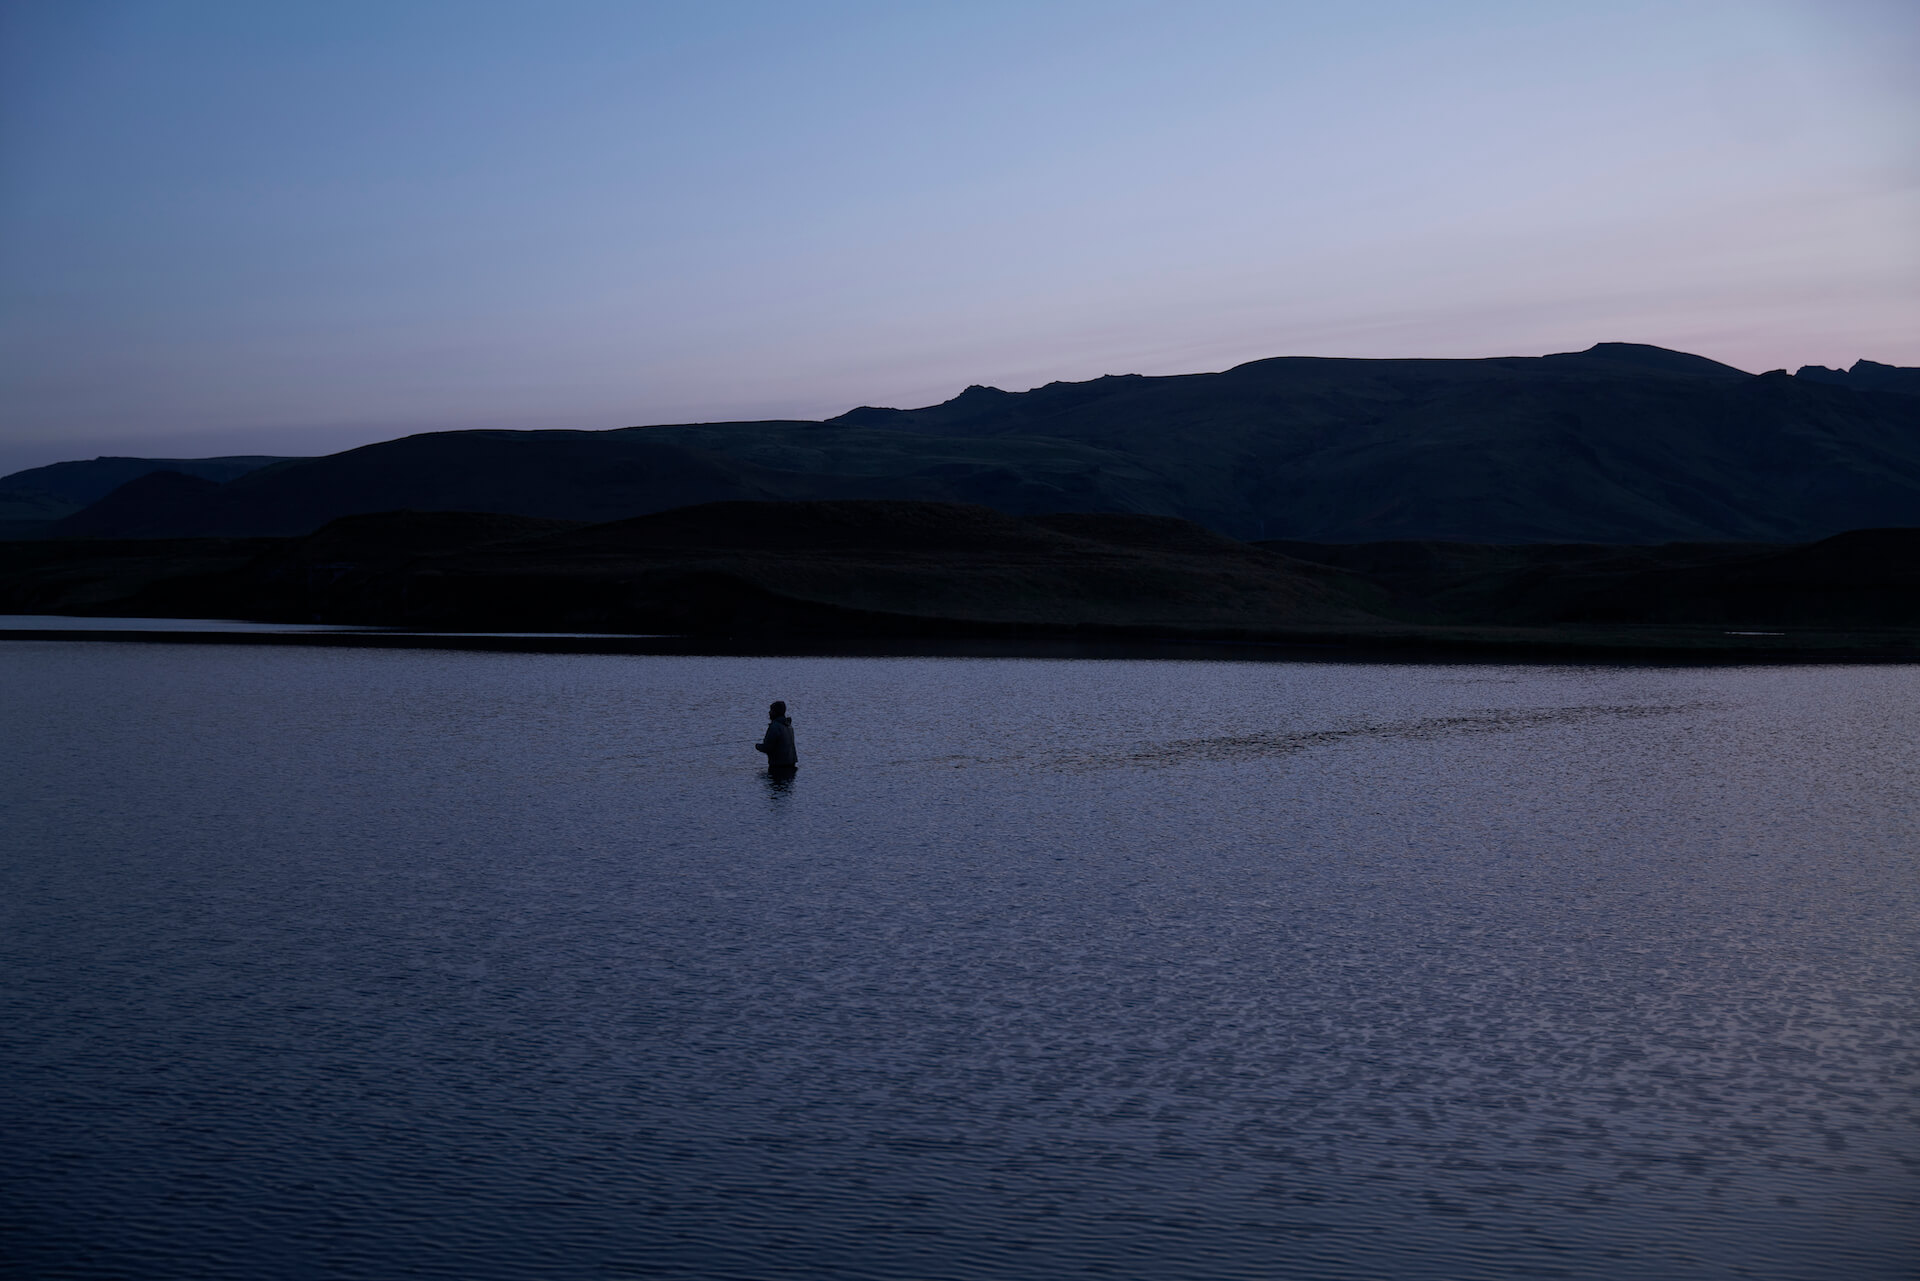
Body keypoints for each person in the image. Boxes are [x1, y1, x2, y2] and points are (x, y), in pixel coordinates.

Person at [755, 700, 797, 773]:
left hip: (778, 767)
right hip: (791, 766)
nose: (769, 713)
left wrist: (757, 746)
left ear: (776, 712)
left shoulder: (775, 727)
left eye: (771, 710)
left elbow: (767, 747)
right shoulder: (789, 726)